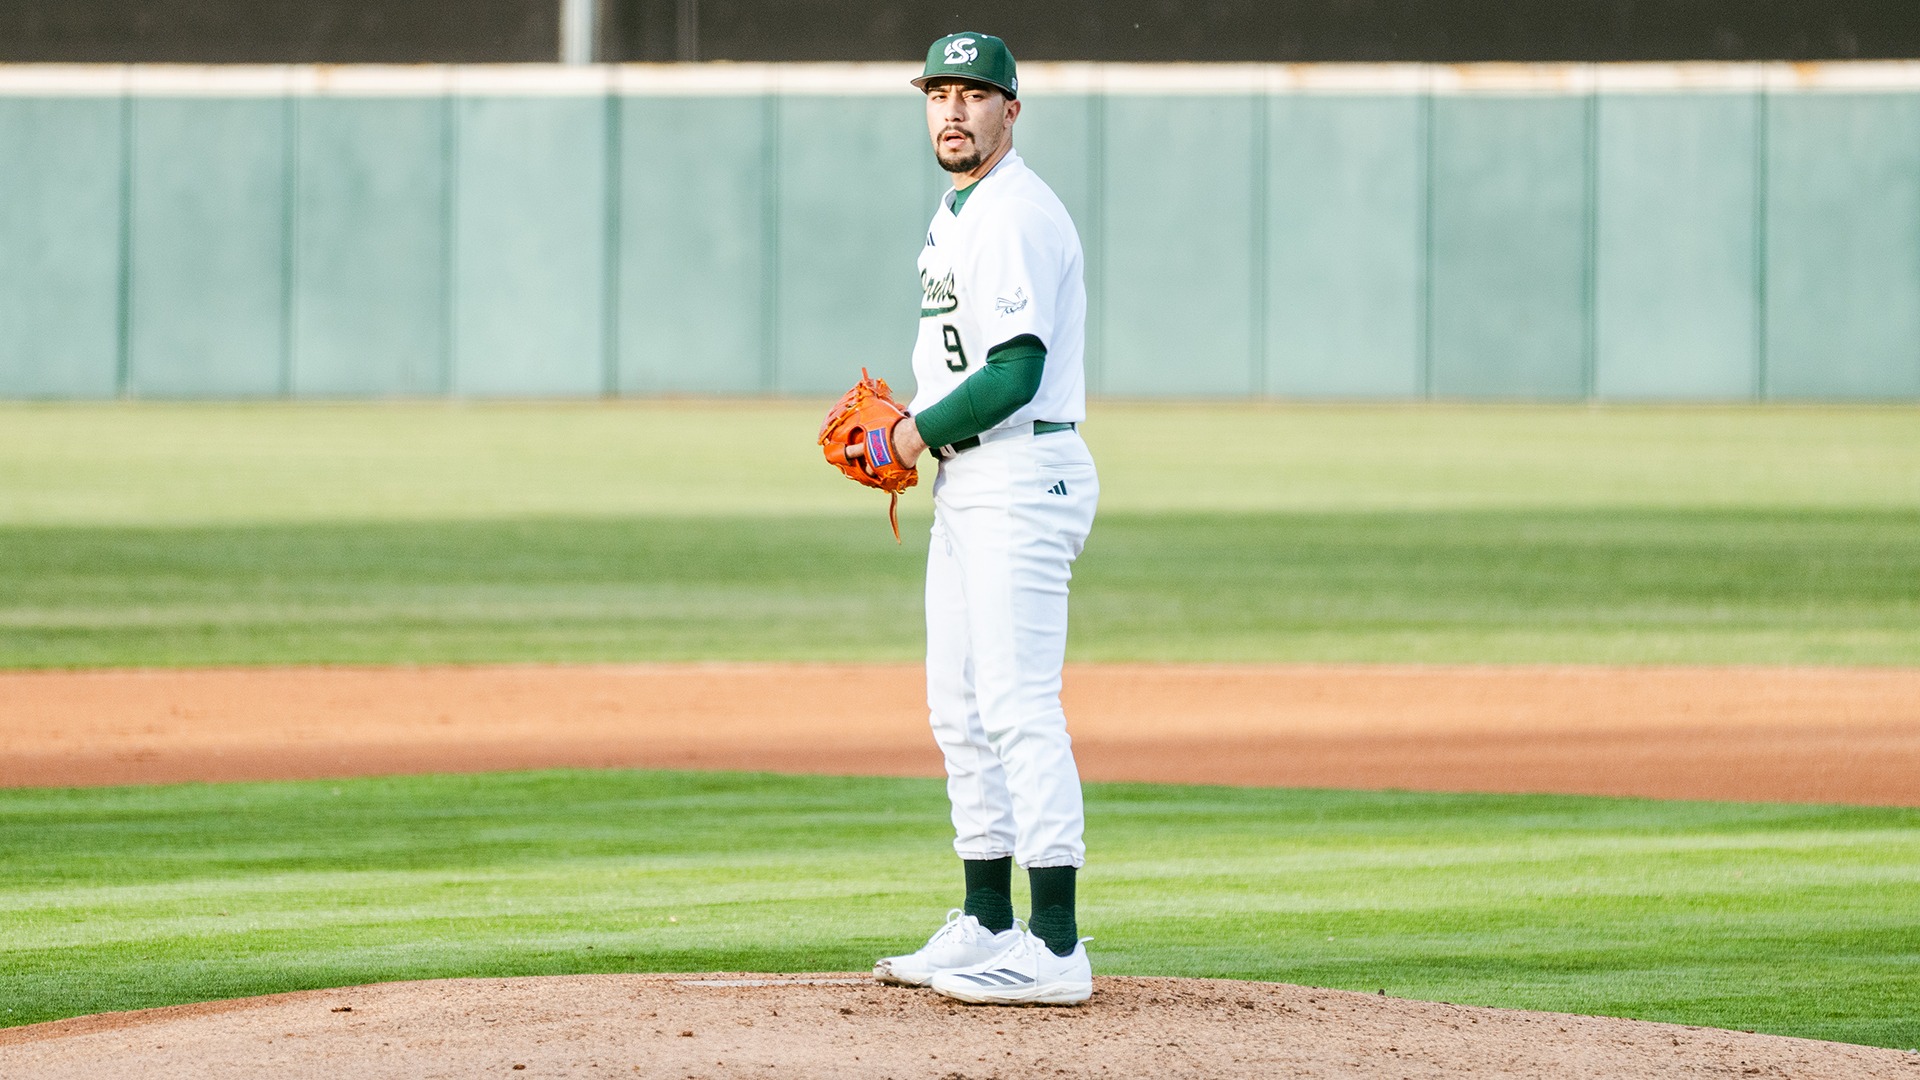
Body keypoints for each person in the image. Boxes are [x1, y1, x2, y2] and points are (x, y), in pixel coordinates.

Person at [869, 31, 1099, 1006]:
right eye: (940, 94)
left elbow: (1016, 372)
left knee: (1015, 705)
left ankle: (1054, 945)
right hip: (971, 483)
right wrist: (923, 436)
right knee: (957, 711)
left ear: (1013, 110)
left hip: (1022, 471)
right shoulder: (955, 211)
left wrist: (912, 433)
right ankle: (988, 919)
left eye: (975, 94)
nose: (954, 111)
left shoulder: (1013, 212)